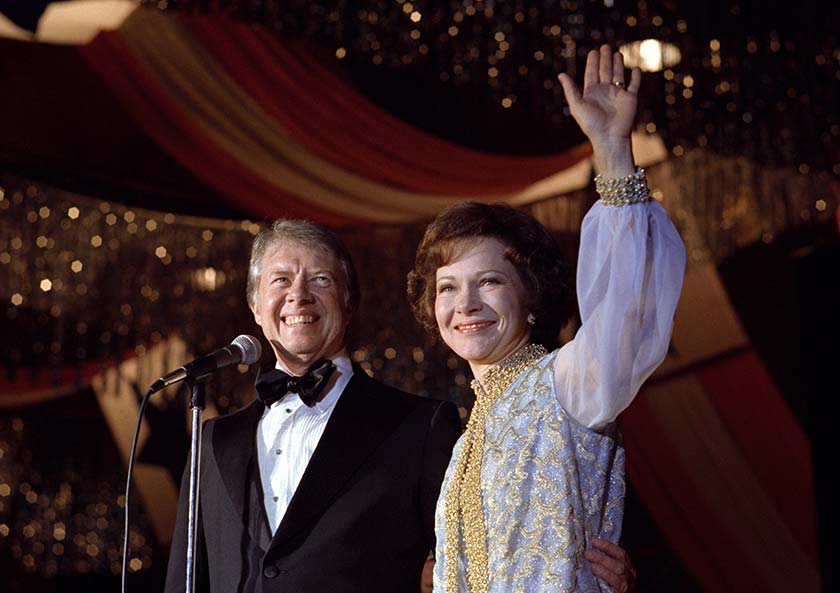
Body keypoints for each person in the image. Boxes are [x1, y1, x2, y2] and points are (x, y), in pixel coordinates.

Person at [164, 218, 641, 592]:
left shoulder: (420, 425)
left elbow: (519, 531)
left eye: (321, 279)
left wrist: (611, 573)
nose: (298, 294)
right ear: (254, 307)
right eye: (280, 279)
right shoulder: (211, 440)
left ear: (348, 303)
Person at [406, 45, 685, 593]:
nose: (465, 305)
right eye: (448, 288)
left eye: (489, 282)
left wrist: (612, 151)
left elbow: (624, 309)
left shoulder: (566, 385)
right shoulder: (467, 440)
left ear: (531, 297)